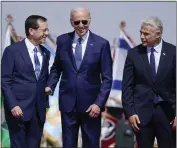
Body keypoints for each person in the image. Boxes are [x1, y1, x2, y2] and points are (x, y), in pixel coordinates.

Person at [45, 7, 113, 148]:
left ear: (90, 20)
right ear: (71, 22)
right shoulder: (63, 41)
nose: (81, 25)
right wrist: (50, 86)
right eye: (77, 22)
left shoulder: (102, 44)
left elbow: (107, 78)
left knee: (91, 144)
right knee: (68, 144)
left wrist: (99, 103)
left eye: (84, 22)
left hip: (91, 106)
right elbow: (57, 68)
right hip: (68, 104)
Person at [122, 16, 176, 148]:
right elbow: (127, 86)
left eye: (146, 34)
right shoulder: (133, 54)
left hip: (168, 115)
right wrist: (130, 113)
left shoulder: (173, 52)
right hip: (141, 116)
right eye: (141, 32)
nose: (142, 37)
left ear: (158, 35)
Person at [1, 15, 50, 148]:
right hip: (18, 110)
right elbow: (5, 81)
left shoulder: (46, 53)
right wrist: (13, 105)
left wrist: (49, 87)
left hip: (38, 111)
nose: (47, 33)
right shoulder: (12, 51)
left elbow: (45, 78)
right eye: (43, 30)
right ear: (31, 31)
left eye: (47, 30)